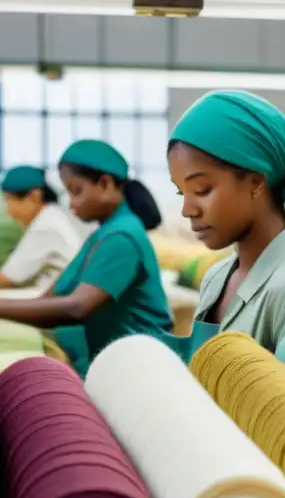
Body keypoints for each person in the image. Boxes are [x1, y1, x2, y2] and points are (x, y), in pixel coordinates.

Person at [167, 89, 285, 353]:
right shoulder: (217, 278)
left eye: (203, 189)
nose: (188, 210)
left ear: (255, 182)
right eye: (182, 192)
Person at [0, 141, 173, 374]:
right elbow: (50, 297)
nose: (71, 204)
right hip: (112, 355)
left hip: (137, 365)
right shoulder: (102, 234)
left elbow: (76, 308)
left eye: (76, 191)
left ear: (105, 183)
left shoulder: (122, 236)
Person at [0, 165, 83, 290]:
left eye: (10, 200)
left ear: (34, 196)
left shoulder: (45, 227)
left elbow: (8, 278)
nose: (9, 208)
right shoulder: (50, 216)